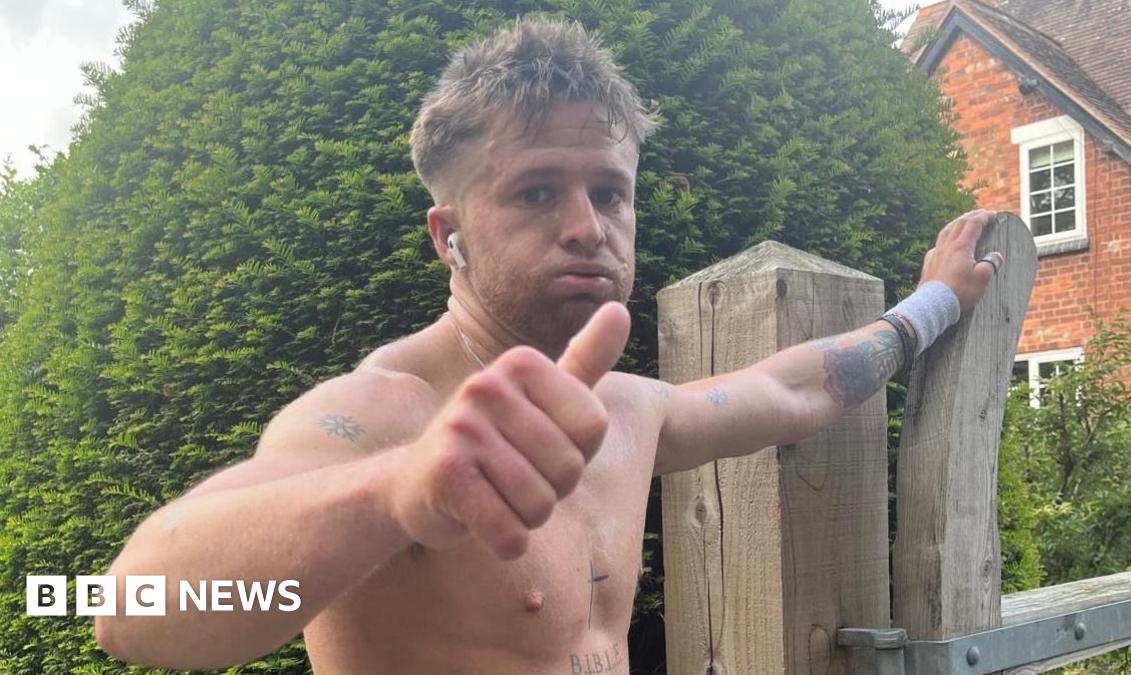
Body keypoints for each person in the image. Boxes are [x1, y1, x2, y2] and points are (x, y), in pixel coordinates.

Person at [94, 17, 1003, 674]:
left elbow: (797, 389)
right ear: (448, 234)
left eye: (610, 192)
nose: (587, 226)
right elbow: (134, 607)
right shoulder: (380, 416)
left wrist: (934, 303)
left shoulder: (629, 410)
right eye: (535, 192)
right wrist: (401, 489)